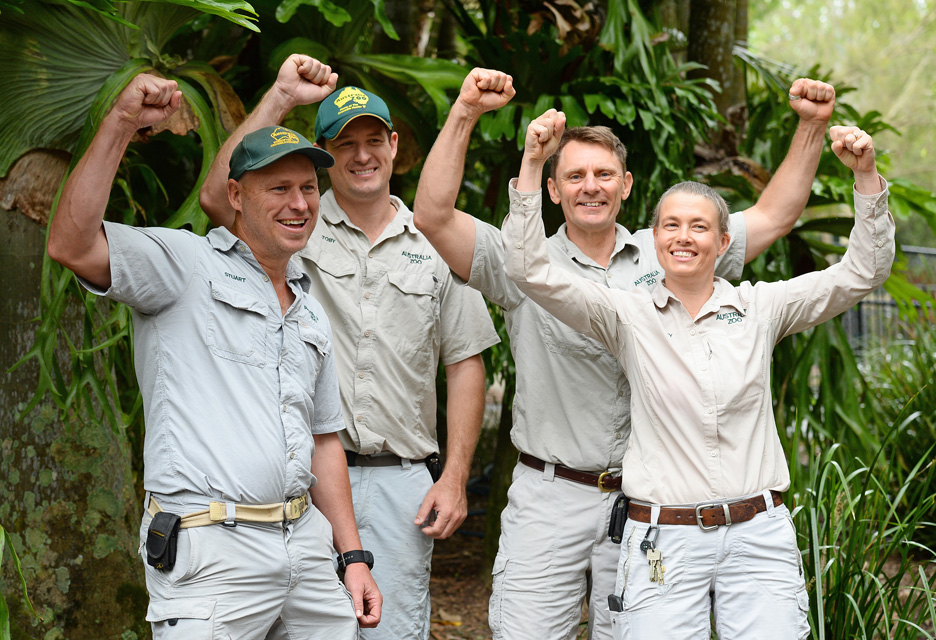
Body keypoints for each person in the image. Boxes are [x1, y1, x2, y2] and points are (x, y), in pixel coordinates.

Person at [412, 69, 836, 639]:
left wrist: (812, 126)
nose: (591, 187)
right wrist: (465, 110)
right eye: (575, 176)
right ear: (552, 190)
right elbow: (432, 216)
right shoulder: (521, 258)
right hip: (550, 497)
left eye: (604, 174)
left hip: (646, 510)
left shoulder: (674, 252)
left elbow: (774, 215)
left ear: (626, 185)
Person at [501, 109, 892, 638]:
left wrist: (865, 176)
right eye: (671, 226)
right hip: (664, 538)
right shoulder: (626, 315)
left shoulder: (761, 309)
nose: (684, 238)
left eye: (699, 227)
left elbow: (863, 271)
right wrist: (532, 162)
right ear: (654, 239)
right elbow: (529, 269)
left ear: (724, 243)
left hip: (758, 537)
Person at [48, 72, 380, 638]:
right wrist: (122, 123)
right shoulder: (184, 265)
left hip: (305, 545)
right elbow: (71, 244)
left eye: (307, 188)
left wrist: (352, 557)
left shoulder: (309, 309)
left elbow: (323, 440)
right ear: (236, 196)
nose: (299, 203)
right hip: (212, 552)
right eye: (278, 188)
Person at [199, 55, 499, 640]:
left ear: (394, 146)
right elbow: (218, 197)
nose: (361, 156)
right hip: (297, 480)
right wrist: (282, 96)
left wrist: (455, 476)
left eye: (372, 141)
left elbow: (465, 361)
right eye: (343, 144)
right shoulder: (293, 222)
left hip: (399, 482)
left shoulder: (436, 239)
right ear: (322, 153)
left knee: (391, 630)